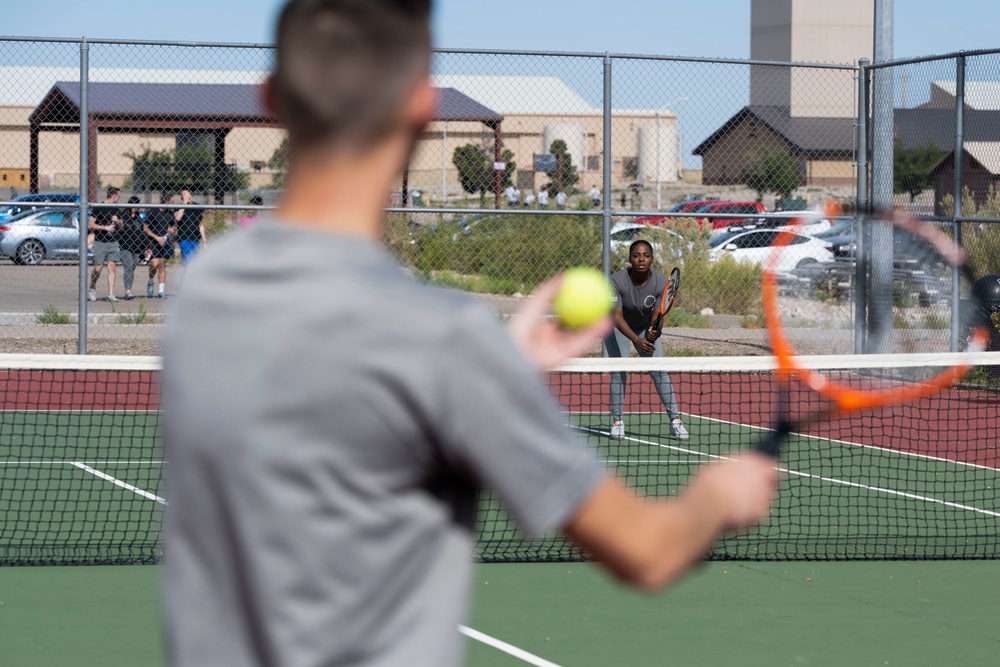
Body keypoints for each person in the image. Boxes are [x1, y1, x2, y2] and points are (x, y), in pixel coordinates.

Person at [160, 3, 777, 666]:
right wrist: (718, 496)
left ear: (271, 98)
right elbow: (649, 550)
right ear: (422, 110)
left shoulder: (202, 290)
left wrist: (498, 368)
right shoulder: (444, 344)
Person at [605, 239, 689, 441]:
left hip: (643, 325)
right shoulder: (616, 281)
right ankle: (617, 423)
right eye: (636, 255)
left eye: (646, 255)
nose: (641, 259)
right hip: (617, 326)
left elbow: (657, 316)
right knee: (619, 372)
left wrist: (654, 331)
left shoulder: (661, 283)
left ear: (652, 259)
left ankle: (676, 421)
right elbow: (616, 317)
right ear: (630, 259)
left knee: (659, 371)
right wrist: (637, 340)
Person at [88, 186, 122, 302]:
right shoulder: (99, 207)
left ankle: (110, 294)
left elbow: (122, 226)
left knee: (112, 267)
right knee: (98, 268)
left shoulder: (116, 208)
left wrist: (117, 221)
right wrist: (105, 228)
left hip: (113, 242)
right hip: (100, 241)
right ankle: (92, 287)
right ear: (114, 196)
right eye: (118, 196)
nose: (119, 198)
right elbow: (91, 225)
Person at [143, 192, 177, 299]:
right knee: (154, 263)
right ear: (167, 201)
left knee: (162, 264)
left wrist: (172, 229)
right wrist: (156, 237)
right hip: (153, 241)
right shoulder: (153, 211)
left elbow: (175, 225)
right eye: (172, 201)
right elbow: (145, 228)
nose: (173, 203)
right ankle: (151, 281)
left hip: (165, 241)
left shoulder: (169, 213)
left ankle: (161, 291)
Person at [118, 196, 149, 300]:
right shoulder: (123, 216)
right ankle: (128, 291)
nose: (137, 207)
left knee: (132, 268)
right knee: (129, 266)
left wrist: (146, 247)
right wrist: (120, 225)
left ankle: (129, 289)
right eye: (136, 205)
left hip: (136, 247)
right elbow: (119, 230)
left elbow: (141, 233)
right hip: (125, 246)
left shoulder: (138, 218)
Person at [174, 187, 206, 264]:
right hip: (184, 238)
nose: (186, 196)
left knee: (193, 262)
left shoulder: (197, 207)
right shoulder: (179, 207)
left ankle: (185, 275)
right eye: (183, 195)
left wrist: (205, 241)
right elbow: (178, 218)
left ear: (191, 195)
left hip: (195, 239)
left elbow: (200, 225)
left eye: (187, 194)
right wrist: (184, 204)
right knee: (189, 259)